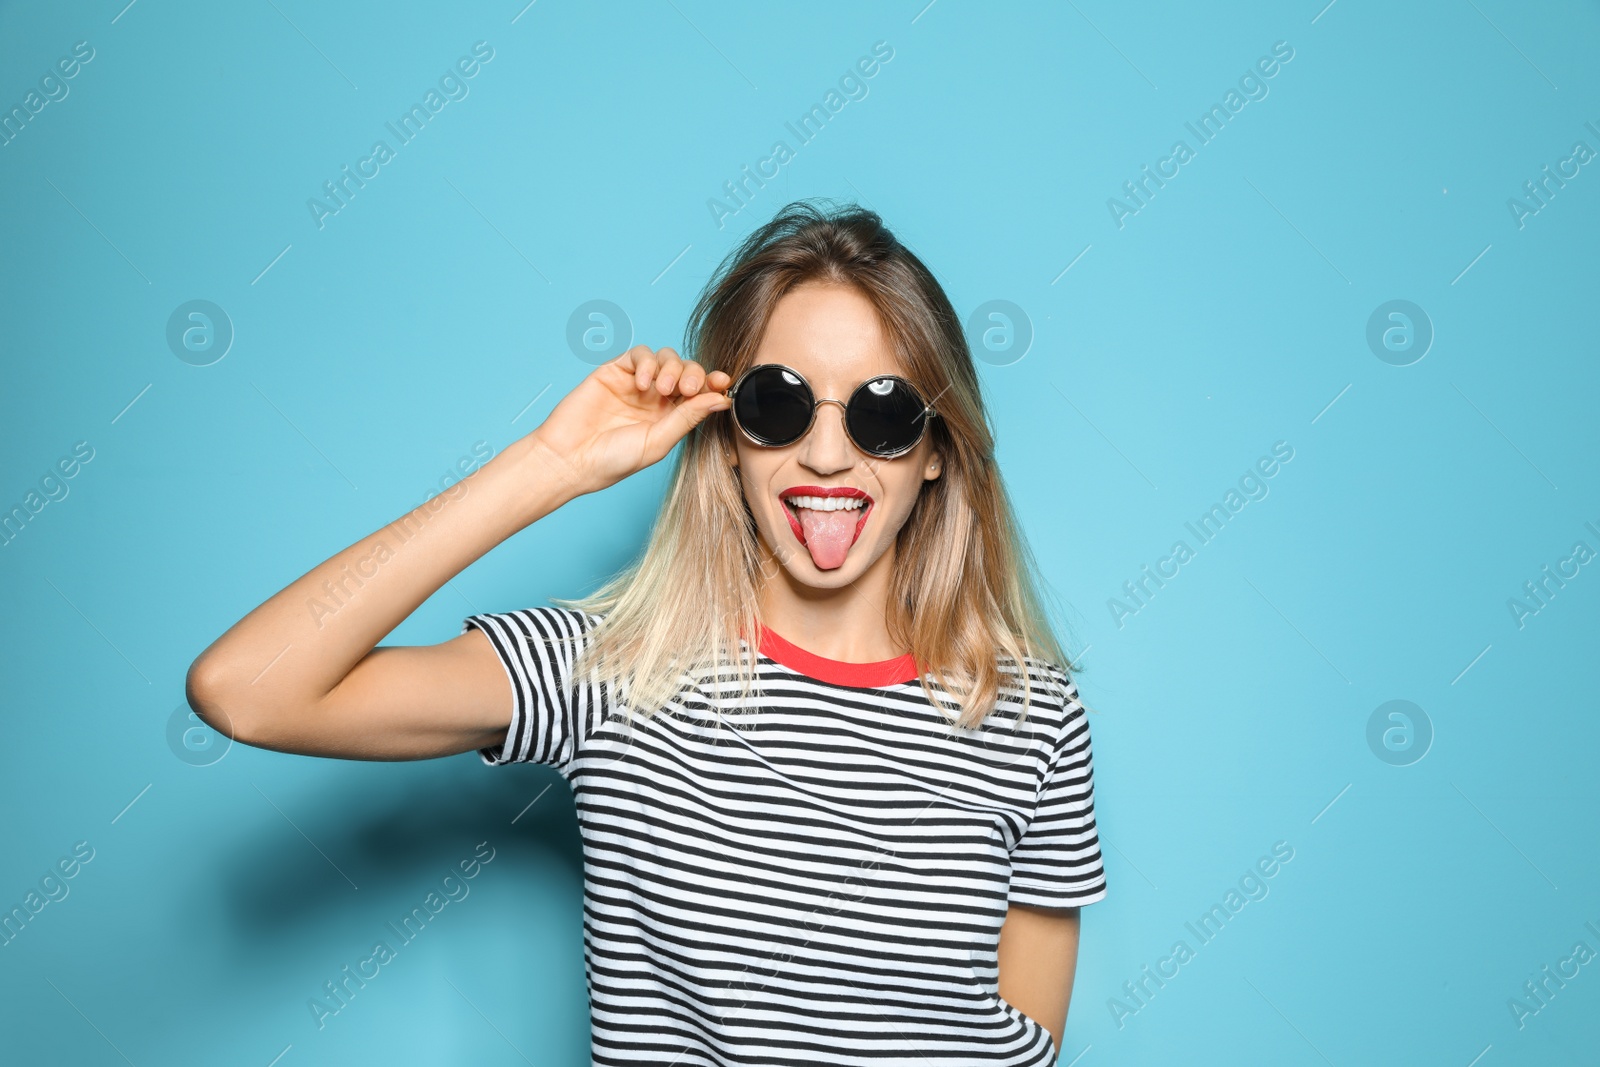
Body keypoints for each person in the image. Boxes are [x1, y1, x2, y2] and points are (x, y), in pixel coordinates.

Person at [187, 200, 1107, 1064]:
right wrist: (547, 466)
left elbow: (1027, 1043)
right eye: (779, 404)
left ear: (940, 446)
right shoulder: (614, 671)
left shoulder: (1033, 714)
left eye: (883, 413)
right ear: (727, 427)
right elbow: (250, 689)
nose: (827, 453)